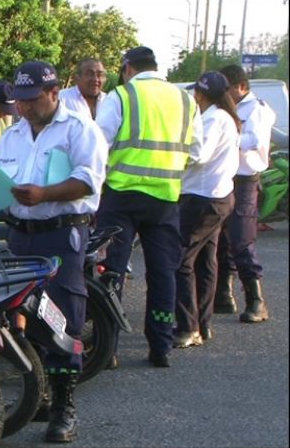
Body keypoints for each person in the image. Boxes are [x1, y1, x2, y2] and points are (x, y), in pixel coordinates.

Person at [0, 61, 108, 443]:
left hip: (61, 236)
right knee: (20, 316)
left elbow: (87, 182)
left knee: (62, 319)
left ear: (55, 92)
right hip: (19, 235)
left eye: (32, 99)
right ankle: (37, 393)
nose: (23, 107)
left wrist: (44, 195)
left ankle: (64, 407)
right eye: (19, 101)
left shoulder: (79, 129)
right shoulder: (12, 135)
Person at [94, 46, 204, 368]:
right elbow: (197, 152)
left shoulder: (122, 96)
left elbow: (99, 144)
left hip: (122, 196)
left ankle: (108, 347)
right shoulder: (186, 100)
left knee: (112, 270)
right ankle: (161, 347)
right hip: (166, 198)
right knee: (163, 272)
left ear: (128, 67)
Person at [173, 71, 240, 348]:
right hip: (219, 196)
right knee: (205, 261)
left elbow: (199, 155)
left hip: (202, 198)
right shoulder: (227, 117)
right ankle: (202, 324)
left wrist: (175, 151)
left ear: (200, 94)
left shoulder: (212, 119)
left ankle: (188, 327)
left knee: (180, 261)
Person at [213, 64, 276, 323]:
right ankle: (224, 295)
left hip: (245, 179)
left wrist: (227, 136)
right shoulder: (227, 108)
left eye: (226, 88)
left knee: (241, 238)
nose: (223, 93)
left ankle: (256, 300)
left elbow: (253, 141)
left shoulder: (257, 109)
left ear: (241, 86)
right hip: (224, 178)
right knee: (221, 239)